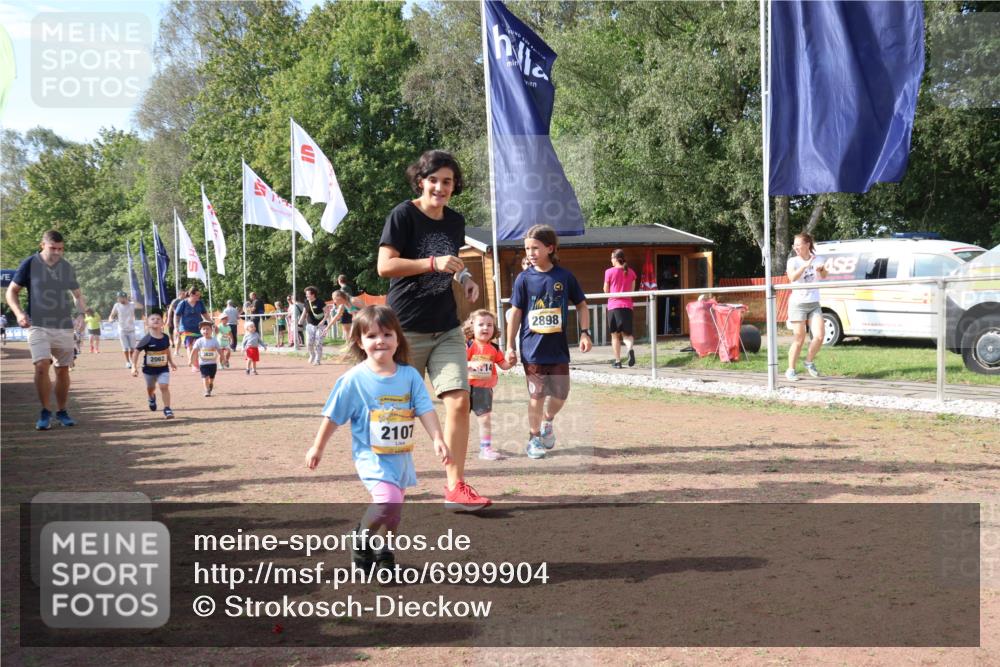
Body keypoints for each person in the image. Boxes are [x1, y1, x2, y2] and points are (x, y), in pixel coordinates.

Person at [377, 149, 490, 511]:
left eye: (448, 182)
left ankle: (455, 487)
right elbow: (385, 266)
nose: (440, 187)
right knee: (398, 411)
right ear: (421, 181)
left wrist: (466, 277)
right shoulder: (403, 215)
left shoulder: (454, 222)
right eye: (434, 180)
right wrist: (430, 263)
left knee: (459, 400)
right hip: (406, 329)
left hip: (446, 328)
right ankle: (388, 485)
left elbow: (450, 263)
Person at [305, 305, 450, 570]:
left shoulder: (409, 376)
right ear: (360, 342)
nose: (380, 340)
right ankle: (361, 538)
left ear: (398, 338)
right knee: (388, 501)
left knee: (393, 514)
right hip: (371, 457)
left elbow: (424, 409)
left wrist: (437, 438)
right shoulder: (353, 379)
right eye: (371, 336)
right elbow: (333, 416)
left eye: (386, 334)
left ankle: (384, 553)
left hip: (401, 458)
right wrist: (317, 447)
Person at [505, 224, 592, 459]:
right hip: (532, 350)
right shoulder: (523, 279)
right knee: (537, 395)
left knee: (561, 395)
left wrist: (585, 332)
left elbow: (582, 305)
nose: (530, 253)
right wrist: (509, 345)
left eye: (535, 248)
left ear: (550, 248)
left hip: (558, 349)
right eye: (527, 249)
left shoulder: (564, 277)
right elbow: (515, 313)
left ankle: (548, 421)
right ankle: (533, 439)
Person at [5, 230, 85, 429]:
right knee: (41, 365)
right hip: (37, 324)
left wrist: (81, 314)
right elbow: (11, 292)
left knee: (63, 369)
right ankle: (45, 411)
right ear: (43, 245)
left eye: (61, 249)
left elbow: (77, 295)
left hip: (63, 325)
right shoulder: (29, 264)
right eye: (53, 248)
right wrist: (19, 313)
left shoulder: (66, 267)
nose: (57, 252)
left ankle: (62, 410)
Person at [464, 309, 513, 461]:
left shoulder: (494, 348)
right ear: (472, 327)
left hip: (484, 390)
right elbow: (459, 364)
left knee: (485, 420)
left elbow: (503, 365)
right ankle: (453, 446)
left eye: (489, 325)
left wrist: (511, 361)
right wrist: (471, 364)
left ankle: (485, 449)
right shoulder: (468, 345)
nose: (485, 328)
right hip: (465, 389)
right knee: (460, 420)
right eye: (481, 324)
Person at [785, 231, 829, 382]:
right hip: (798, 304)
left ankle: (808, 361)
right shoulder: (793, 261)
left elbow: (824, 276)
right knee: (799, 338)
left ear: (807, 245)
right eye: (794, 245)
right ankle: (791, 369)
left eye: (798, 245)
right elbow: (792, 278)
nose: (796, 247)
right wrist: (804, 266)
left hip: (814, 302)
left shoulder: (819, 259)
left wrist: (821, 269)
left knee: (819, 336)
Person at [131, 311, 178, 418]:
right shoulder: (146, 339)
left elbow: (167, 350)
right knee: (150, 388)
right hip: (149, 370)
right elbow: (136, 352)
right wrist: (134, 367)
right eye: (152, 319)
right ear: (147, 323)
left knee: (164, 386)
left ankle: (167, 409)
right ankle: (151, 398)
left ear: (162, 323)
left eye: (158, 319)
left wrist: (171, 362)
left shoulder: (165, 337)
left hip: (163, 368)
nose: (156, 320)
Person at [603, 249, 638, 368]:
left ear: (616, 259)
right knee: (627, 335)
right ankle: (630, 349)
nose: (611, 260)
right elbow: (632, 290)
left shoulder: (609, 272)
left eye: (612, 258)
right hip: (627, 306)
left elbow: (606, 290)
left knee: (615, 336)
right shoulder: (631, 272)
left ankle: (618, 361)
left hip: (614, 306)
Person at [174, 287, 211, 365]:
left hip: (198, 328)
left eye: (199, 295)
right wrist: (176, 327)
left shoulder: (200, 303)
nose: (199, 297)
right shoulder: (183, 303)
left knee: (198, 346)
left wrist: (211, 323)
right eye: (197, 295)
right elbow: (177, 315)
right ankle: (193, 363)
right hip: (185, 328)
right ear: (191, 294)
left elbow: (205, 314)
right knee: (189, 345)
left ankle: (196, 361)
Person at [108, 291, 137, 369]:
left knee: (132, 348)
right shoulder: (116, 305)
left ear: (125, 297)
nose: (120, 299)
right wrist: (111, 319)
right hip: (122, 329)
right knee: (125, 348)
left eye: (121, 298)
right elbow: (111, 315)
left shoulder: (132, 304)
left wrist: (133, 300)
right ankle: (127, 362)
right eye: (119, 298)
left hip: (131, 329)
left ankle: (131, 360)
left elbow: (141, 306)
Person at [192, 321, 221, 396]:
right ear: (200, 331)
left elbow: (219, 350)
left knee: (211, 378)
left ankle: (211, 383)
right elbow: (194, 351)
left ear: (212, 330)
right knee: (205, 377)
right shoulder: (199, 341)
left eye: (208, 329)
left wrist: (223, 358)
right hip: (203, 364)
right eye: (203, 329)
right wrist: (190, 360)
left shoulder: (214, 340)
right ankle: (207, 391)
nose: (205, 331)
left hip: (213, 363)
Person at [299, 286, 327, 365]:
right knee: (309, 343)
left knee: (318, 342)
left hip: (321, 326)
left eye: (307, 294)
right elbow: (304, 313)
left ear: (313, 294)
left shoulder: (320, 302)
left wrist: (323, 321)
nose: (306, 296)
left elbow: (327, 313)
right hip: (310, 325)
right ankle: (312, 355)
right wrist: (299, 322)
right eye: (306, 294)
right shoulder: (306, 302)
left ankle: (318, 359)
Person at [165, 289, 187, 355]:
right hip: (176, 319)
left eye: (185, 294)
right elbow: (170, 310)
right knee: (177, 334)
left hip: (183, 319)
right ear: (180, 294)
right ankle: (175, 349)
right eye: (183, 294)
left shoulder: (185, 300)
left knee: (182, 334)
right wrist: (168, 320)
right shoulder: (175, 301)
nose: (185, 295)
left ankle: (178, 349)